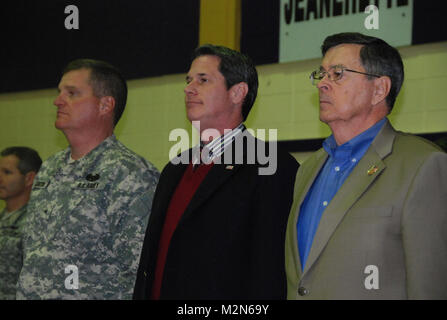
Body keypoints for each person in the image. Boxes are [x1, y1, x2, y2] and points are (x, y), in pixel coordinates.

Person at [285, 32, 447, 299]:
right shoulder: (308, 169)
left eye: (337, 74)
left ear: (379, 89)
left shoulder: (424, 166)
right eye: (321, 74)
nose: (322, 84)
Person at [133, 44, 299, 300]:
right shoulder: (173, 169)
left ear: (237, 93)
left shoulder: (271, 167)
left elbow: (269, 272)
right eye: (188, 80)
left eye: (203, 80)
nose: (188, 88)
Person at [16, 59, 160, 299]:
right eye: (59, 92)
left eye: (72, 93)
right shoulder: (50, 167)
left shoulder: (130, 173)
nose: (58, 100)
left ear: (105, 105)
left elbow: (141, 272)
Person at [0, 147, 42, 299]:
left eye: (7, 172)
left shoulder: (37, 222)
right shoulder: (3, 217)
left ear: (29, 178)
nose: (0, 178)